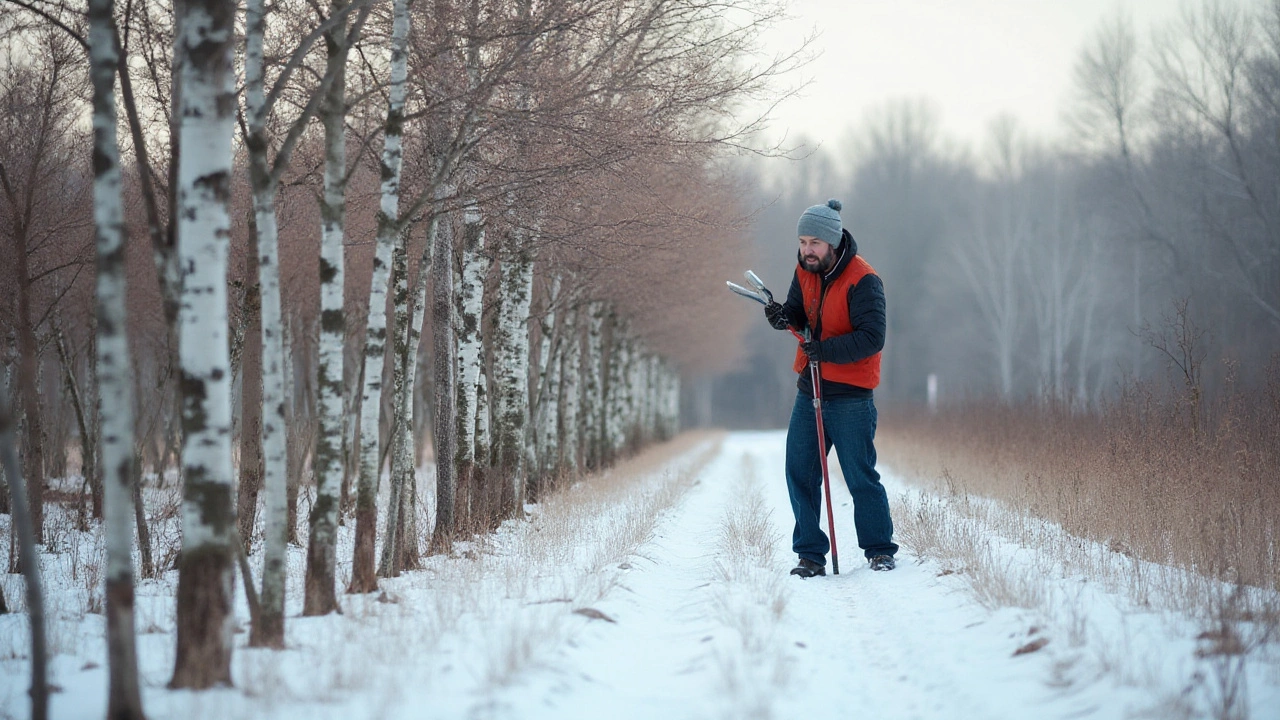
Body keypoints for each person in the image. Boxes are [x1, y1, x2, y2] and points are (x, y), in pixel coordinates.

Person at [763, 199, 898, 577]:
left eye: (814, 243)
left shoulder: (864, 279)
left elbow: (873, 337)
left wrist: (825, 350)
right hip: (810, 389)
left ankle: (880, 550)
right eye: (803, 241)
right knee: (800, 471)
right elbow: (797, 314)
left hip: (851, 396)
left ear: (832, 243)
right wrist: (780, 316)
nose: (807, 250)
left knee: (859, 475)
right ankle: (809, 555)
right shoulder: (804, 270)